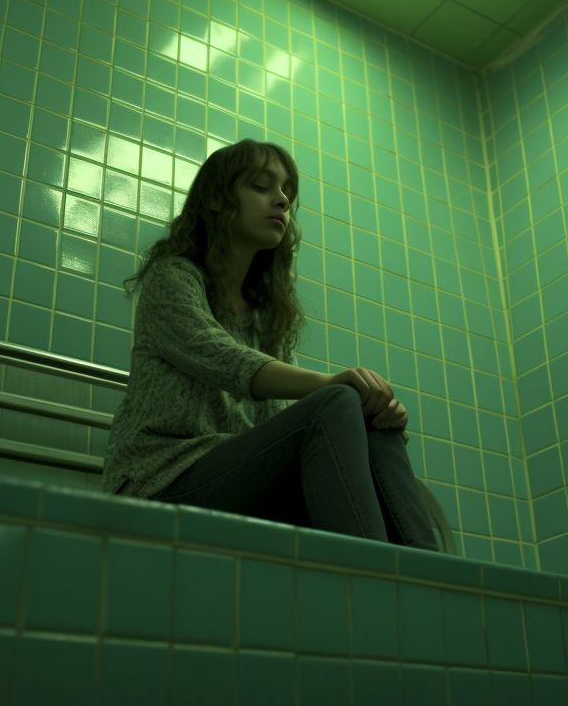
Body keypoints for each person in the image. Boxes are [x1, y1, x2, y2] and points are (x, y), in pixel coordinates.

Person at [101, 138, 455, 553]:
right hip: (159, 481)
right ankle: (378, 588)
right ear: (216, 199)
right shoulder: (173, 279)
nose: (282, 200)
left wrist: (370, 409)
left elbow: (275, 424)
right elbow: (224, 358)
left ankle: (429, 585)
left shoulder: (264, 318)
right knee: (337, 400)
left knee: (368, 417)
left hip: (235, 483)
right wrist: (332, 386)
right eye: (261, 186)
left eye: (287, 191)